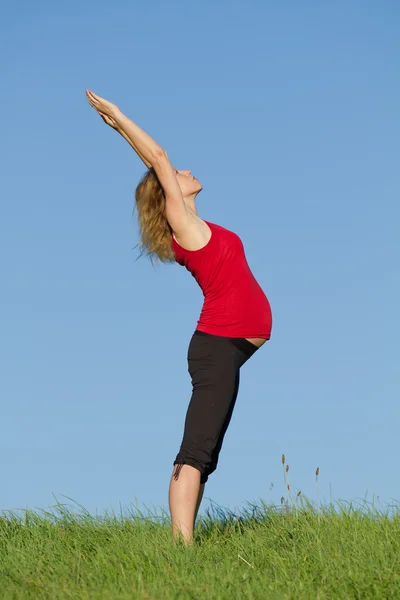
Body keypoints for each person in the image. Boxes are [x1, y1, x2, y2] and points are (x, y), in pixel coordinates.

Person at [85, 90, 273, 545]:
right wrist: (120, 117)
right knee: (194, 451)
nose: (185, 171)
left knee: (206, 453)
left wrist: (120, 135)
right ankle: (180, 548)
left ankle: (186, 541)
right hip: (216, 346)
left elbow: (155, 166)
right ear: (168, 194)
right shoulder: (183, 225)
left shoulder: (189, 220)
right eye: (177, 175)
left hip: (225, 347)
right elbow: (160, 158)